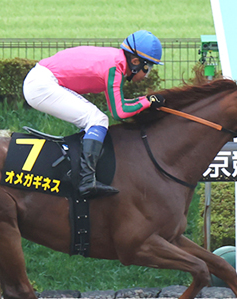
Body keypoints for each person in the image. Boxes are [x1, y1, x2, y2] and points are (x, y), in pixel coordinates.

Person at [23, 30, 166, 199]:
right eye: (148, 68)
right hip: (42, 85)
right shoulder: (114, 68)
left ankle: (80, 169)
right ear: (135, 62)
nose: (147, 75)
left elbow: (118, 106)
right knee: (97, 119)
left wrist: (145, 100)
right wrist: (147, 102)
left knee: (95, 119)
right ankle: (85, 180)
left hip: (41, 81)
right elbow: (119, 113)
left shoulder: (115, 62)